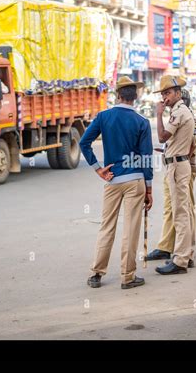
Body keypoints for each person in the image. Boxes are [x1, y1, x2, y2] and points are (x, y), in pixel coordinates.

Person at [80, 76, 153, 289]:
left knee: (106, 227)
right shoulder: (142, 122)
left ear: (118, 95)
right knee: (130, 229)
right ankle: (127, 277)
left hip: (112, 180)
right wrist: (149, 189)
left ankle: (96, 274)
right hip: (135, 180)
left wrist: (98, 169)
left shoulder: (103, 117)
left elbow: (84, 143)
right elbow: (146, 158)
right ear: (135, 97)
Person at [145, 88, 196, 268]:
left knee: (184, 211)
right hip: (173, 165)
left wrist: (159, 115)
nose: (164, 99)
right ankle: (167, 246)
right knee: (171, 209)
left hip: (183, 167)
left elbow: (190, 147)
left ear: (179, 97)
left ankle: (184, 255)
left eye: (167, 94)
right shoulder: (176, 117)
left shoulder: (187, 117)